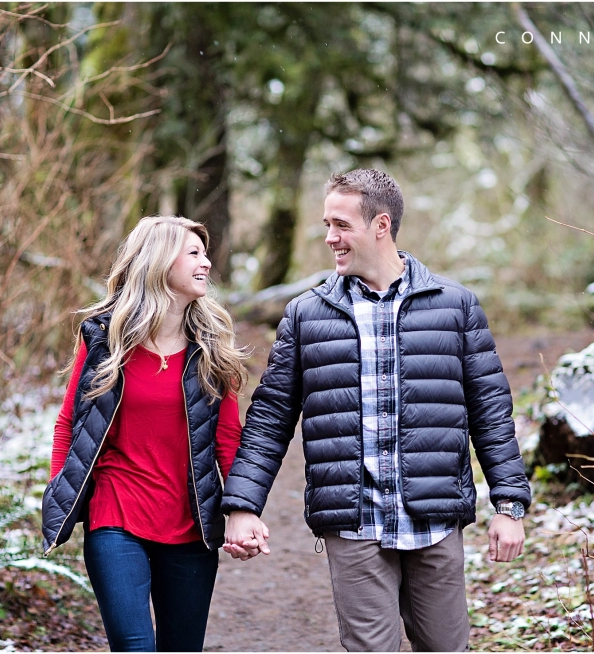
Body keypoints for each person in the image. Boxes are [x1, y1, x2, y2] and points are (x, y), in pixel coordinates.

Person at [221, 169, 531, 652]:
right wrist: (242, 506)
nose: (330, 238)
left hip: (433, 519)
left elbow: (490, 412)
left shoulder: (455, 307)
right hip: (353, 522)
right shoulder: (307, 315)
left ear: (381, 225)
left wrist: (509, 505)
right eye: (327, 224)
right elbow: (269, 419)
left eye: (341, 225)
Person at [41, 216, 247, 652]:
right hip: (116, 517)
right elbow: (68, 422)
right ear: (158, 262)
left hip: (191, 525)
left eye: (204, 253)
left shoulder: (211, 348)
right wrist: (60, 489)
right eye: (193, 253)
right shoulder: (104, 337)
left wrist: (243, 511)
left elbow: (229, 437)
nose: (206, 262)